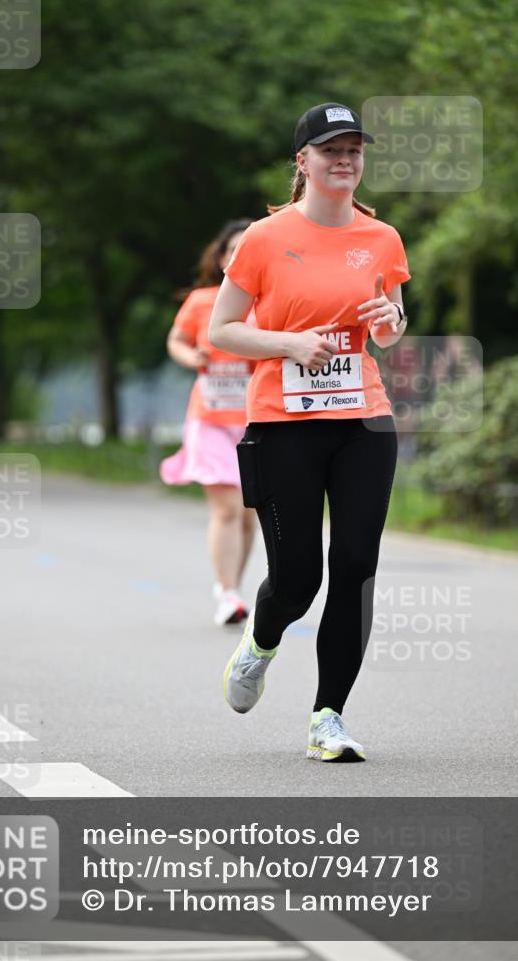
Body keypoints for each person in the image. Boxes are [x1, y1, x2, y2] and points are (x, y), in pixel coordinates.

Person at [209, 102, 411, 762]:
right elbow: (223, 330)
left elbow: (388, 327)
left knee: (354, 568)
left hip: (362, 419)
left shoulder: (381, 238)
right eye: (331, 150)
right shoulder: (266, 240)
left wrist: (390, 323)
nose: (345, 160)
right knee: (297, 578)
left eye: (354, 149)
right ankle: (260, 644)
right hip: (282, 423)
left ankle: (328, 717)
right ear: (302, 161)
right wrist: (289, 344)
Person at [160, 220, 257, 627]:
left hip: (256, 422)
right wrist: (192, 357)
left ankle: (228, 585)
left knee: (251, 514)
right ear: (220, 259)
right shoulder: (203, 301)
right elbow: (176, 341)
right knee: (228, 509)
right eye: (233, 249)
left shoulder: (268, 302)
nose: (240, 256)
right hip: (211, 421)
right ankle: (230, 594)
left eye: (248, 248)